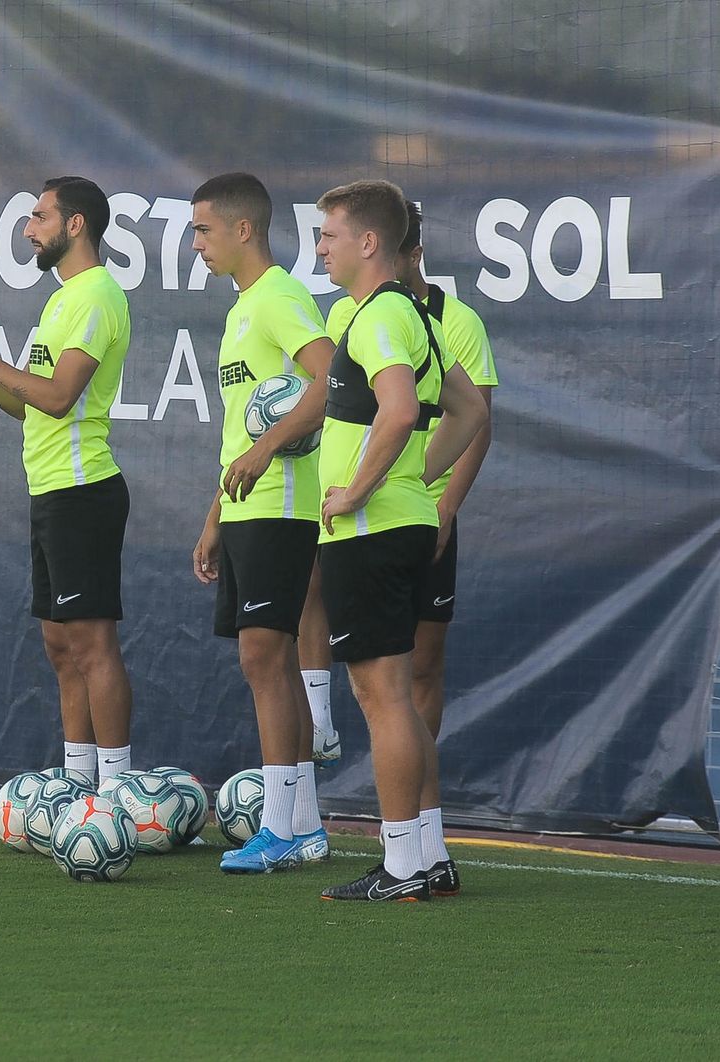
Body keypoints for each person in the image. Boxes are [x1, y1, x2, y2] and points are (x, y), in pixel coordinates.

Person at [309, 180, 488, 902]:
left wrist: (355, 490)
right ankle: (426, 857)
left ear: (369, 243)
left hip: (373, 529)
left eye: (328, 234)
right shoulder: (406, 312)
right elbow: (470, 408)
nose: (319, 246)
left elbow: (402, 408)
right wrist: (414, 473)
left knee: (381, 695)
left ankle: (404, 866)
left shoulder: (380, 315)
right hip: (402, 521)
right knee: (397, 697)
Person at [0, 176, 133, 786]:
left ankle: (118, 788)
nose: (27, 228)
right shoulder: (62, 299)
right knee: (59, 645)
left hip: (83, 492)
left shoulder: (97, 295)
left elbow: (61, 396)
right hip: (50, 493)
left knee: (92, 645)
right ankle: (77, 781)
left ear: (76, 225)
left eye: (39, 216)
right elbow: (26, 404)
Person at [187, 172, 335, 873]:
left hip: (282, 504)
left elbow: (326, 379)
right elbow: (242, 428)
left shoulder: (280, 296)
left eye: (204, 231)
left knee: (262, 658)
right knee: (264, 661)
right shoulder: (243, 308)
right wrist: (216, 513)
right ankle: (302, 826)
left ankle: (282, 829)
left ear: (244, 230)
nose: (197, 246)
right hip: (247, 505)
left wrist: (267, 452)